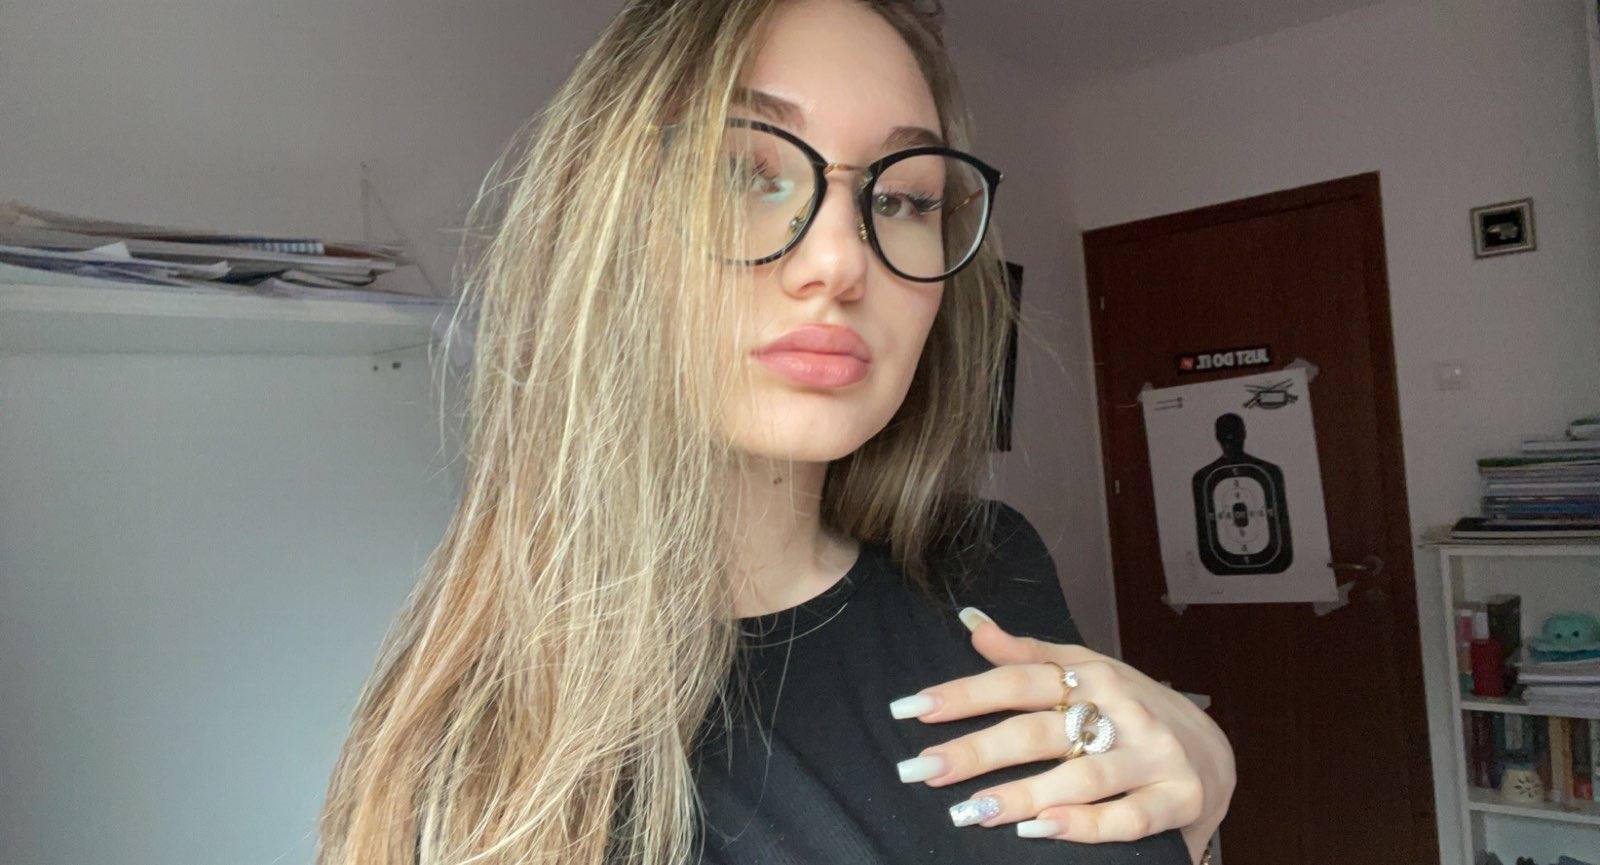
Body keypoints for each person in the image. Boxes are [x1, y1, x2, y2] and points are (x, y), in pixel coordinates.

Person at [314, 1, 1236, 864]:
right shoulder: (487, 762)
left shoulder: (988, 561)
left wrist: (1203, 783)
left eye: (902, 199)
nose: (839, 260)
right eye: (743, 173)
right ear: (608, 226)